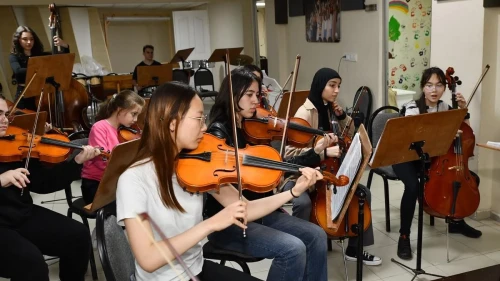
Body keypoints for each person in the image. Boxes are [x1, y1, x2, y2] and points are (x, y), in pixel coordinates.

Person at [115, 81, 323, 281]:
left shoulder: (198, 166)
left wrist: (293, 192)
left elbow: (246, 209)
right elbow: (148, 259)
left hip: (197, 268)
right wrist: (211, 224)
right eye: (198, 119)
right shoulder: (134, 180)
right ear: (172, 123)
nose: (205, 128)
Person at [204, 68, 329, 281]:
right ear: (233, 96)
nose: (256, 101)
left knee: (317, 235)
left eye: (257, 95)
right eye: (249, 95)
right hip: (232, 224)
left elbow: (272, 163)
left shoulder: (248, 127)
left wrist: (312, 156)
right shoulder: (219, 135)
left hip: (261, 212)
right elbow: (237, 200)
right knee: (293, 249)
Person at [284, 67, 382, 266]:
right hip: (301, 175)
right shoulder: (304, 112)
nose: (337, 90)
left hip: (331, 172)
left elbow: (350, 133)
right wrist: (322, 152)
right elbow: (289, 155)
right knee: (302, 203)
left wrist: (341, 117)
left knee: (363, 193)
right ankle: (300, 248)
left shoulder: (329, 107)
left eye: (338, 86)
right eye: (332, 85)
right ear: (321, 85)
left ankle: (355, 248)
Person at [0, 94, 102, 281]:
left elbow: (44, 184)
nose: (4, 120)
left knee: (77, 236)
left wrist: (77, 162)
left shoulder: (15, 144)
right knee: (32, 265)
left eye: (6, 114)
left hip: (20, 213)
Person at [394, 66, 482, 260]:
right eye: (429, 85)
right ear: (423, 87)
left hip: (433, 160)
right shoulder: (412, 107)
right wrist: (445, 133)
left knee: (470, 179)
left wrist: (463, 111)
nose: (434, 90)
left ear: (444, 88)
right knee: (412, 187)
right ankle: (404, 236)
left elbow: (467, 135)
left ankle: (456, 220)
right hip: (407, 158)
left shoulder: (445, 107)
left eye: (439, 85)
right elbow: (414, 136)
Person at [81, 90, 145, 205]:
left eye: (137, 115)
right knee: (135, 200)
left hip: (116, 181)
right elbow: (102, 163)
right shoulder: (99, 128)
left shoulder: (125, 130)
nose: (135, 120)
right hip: (96, 185)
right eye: (134, 114)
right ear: (120, 110)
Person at [9, 26, 69, 111]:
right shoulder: (14, 56)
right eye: (25, 39)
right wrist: (42, 68)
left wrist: (65, 46)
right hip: (24, 96)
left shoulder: (41, 55)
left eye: (31, 39)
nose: (29, 42)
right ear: (18, 40)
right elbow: (18, 72)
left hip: (41, 95)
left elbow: (61, 60)